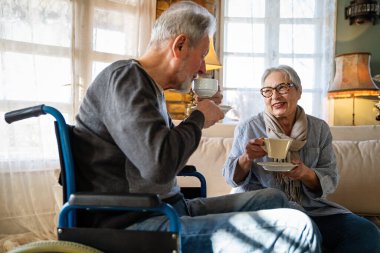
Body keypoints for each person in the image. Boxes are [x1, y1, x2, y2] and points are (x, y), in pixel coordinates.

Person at [72, 2, 321, 252]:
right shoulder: (126, 79)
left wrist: (198, 117)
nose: (202, 68)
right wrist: (198, 118)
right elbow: (159, 166)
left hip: (168, 208)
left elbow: (164, 161)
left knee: (275, 198)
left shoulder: (149, 89)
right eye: (202, 55)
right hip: (134, 225)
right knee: (297, 228)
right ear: (179, 46)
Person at [223, 64, 380, 253]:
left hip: (313, 208)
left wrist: (306, 174)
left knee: (366, 231)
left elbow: (330, 178)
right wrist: (246, 157)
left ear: (298, 91)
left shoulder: (319, 128)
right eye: (268, 91)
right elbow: (230, 177)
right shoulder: (248, 128)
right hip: (266, 209)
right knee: (305, 231)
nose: (275, 96)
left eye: (282, 87)